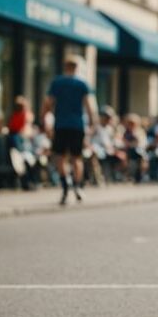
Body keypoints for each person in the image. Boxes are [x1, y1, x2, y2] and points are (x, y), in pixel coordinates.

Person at [40, 56, 96, 205]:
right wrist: (92, 124)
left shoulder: (57, 83)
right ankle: (77, 187)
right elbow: (90, 106)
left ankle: (65, 186)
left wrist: (43, 120)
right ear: (77, 68)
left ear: (65, 67)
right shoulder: (82, 84)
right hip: (77, 125)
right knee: (77, 158)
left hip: (61, 125)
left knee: (59, 157)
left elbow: (48, 103)